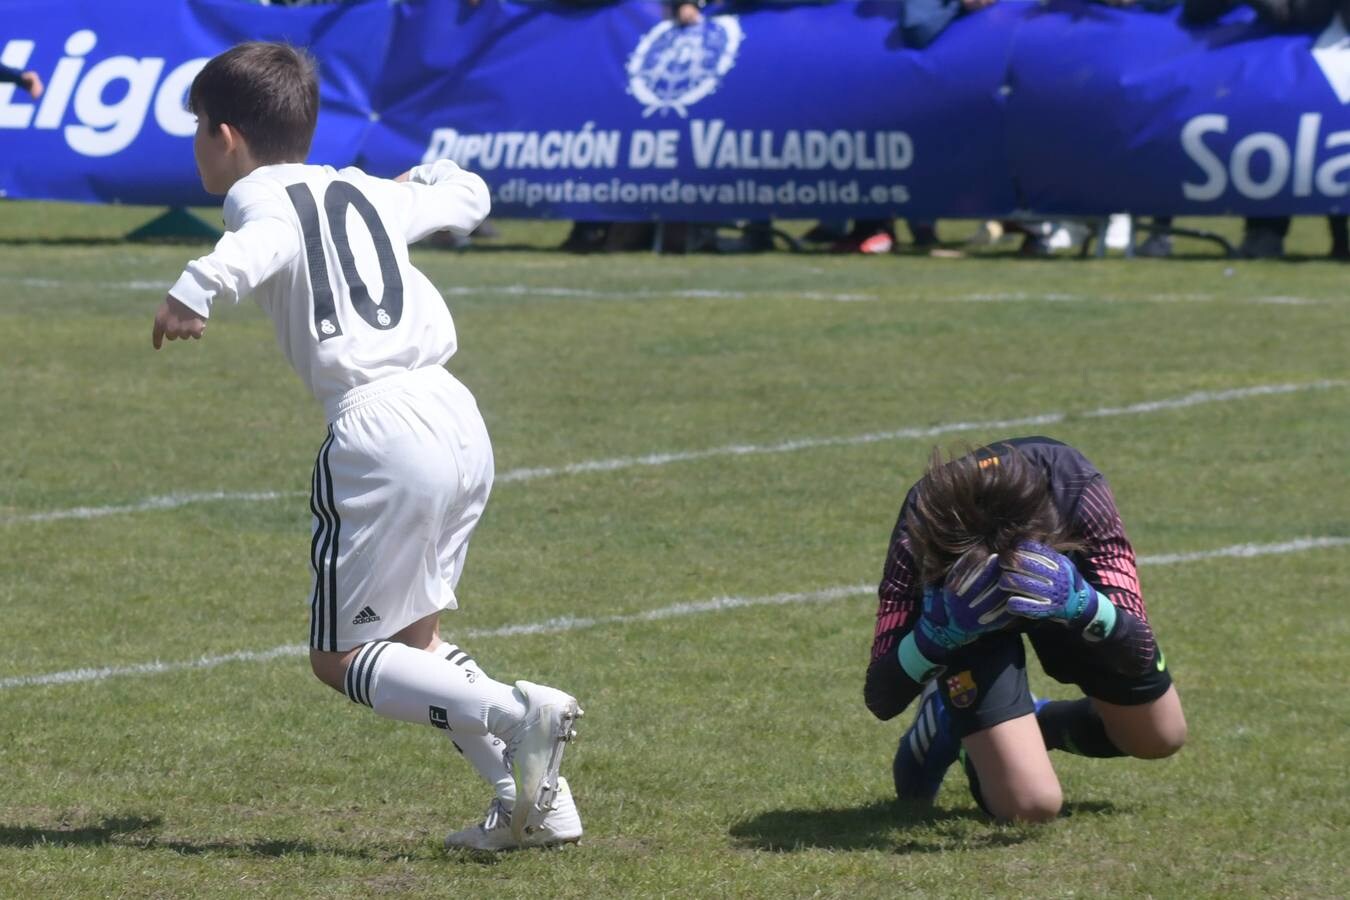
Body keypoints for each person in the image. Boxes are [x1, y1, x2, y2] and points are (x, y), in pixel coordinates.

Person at [150, 42, 583, 852]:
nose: (197, 146)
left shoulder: (255, 197)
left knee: (339, 656)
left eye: (197, 129)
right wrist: (424, 177)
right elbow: (465, 198)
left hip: (382, 425)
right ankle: (534, 801)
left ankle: (520, 715)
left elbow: (263, 243)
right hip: (457, 414)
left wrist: (193, 290)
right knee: (417, 639)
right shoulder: (361, 190)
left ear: (228, 135)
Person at [864, 437, 1186, 822]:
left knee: (1160, 737)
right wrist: (937, 636)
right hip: (964, 619)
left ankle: (1019, 726)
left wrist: (1084, 604)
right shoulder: (922, 526)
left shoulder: (1076, 489)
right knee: (1030, 806)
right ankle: (953, 717)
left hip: (1063, 591)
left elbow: (1139, 651)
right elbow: (881, 696)